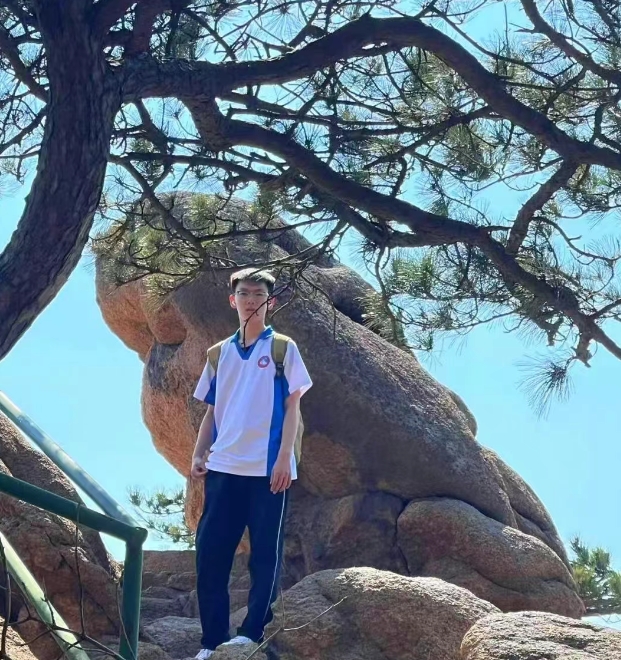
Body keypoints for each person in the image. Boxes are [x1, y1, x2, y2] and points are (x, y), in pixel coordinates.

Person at [190, 268, 312, 659]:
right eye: (244, 293)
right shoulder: (218, 353)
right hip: (223, 467)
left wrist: (284, 458)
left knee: (264, 555)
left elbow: (293, 406)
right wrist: (198, 453)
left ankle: (251, 633)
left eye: (258, 294)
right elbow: (212, 410)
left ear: (270, 302)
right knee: (210, 555)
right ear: (233, 300)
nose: (251, 300)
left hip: (267, 470)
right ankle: (211, 641)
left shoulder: (282, 349)